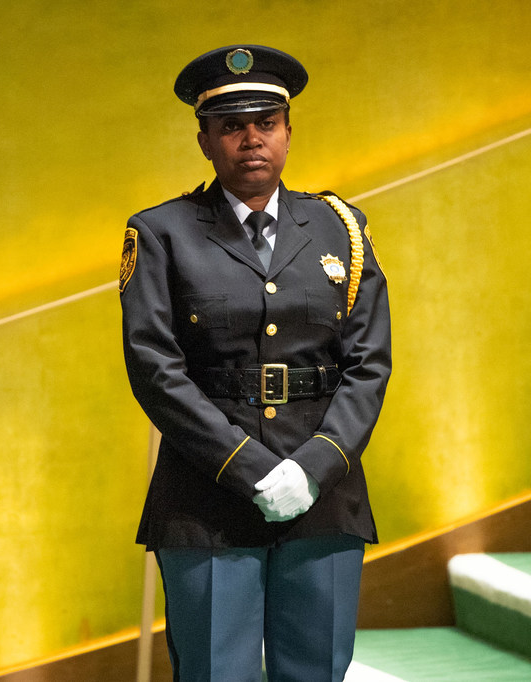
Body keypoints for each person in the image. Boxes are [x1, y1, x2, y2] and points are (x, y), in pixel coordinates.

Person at [119, 45, 391, 681]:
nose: (251, 140)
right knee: (218, 673)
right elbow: (156, 368)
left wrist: (314, 467)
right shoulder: (161, 233)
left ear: (288, 134)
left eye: (266, 123)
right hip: (207, 493)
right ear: (205, 141)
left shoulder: (340, 228)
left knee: (316, 671)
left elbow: (368, 364)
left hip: (324, 492)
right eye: (231, 127)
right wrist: (253, 470)